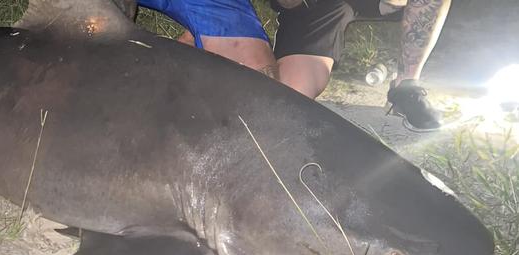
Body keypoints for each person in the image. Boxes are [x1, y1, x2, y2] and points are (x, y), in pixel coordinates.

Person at [137, 0, 451, 132]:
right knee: (279, 96)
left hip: (344, 5)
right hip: (309, 7)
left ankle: (407, 86)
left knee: (281, 107)